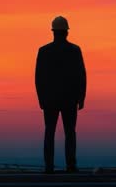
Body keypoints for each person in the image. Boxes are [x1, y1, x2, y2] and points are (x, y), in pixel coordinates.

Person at [35, 15, 86, 173]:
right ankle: (71, 165)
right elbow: (81, 75)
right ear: (66, 32)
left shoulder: (44, 51)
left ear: (53, 32)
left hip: (50, 99)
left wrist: (41, 99)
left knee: (49, 131)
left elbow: (39, 77)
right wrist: (81, 98)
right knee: (70, 132)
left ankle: (48, 166)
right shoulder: (74, 50)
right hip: (69, 99)